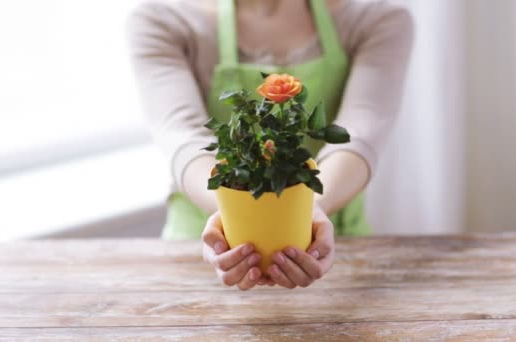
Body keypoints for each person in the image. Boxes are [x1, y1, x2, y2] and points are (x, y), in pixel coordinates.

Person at [127, 0, 413, 290]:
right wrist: (234, 218)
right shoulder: (164, 21)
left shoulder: (378, 19)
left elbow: (360, 133)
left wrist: (310, 212)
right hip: (206, 247)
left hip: (332, 246)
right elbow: (183, 137)